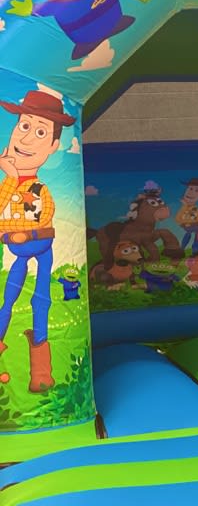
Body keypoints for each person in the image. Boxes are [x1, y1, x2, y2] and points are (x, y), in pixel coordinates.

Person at [0, 90, 75, 392]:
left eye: (40, 132)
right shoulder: (10, 186)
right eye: (24, 126)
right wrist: (10, 177)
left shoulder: (39, 190)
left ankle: (42, 373)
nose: (28, 138)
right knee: (9, 298)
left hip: (41, 246)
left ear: (53, 146)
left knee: (40, 298)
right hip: (20, 248)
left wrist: (13, 229)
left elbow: (42, 217)